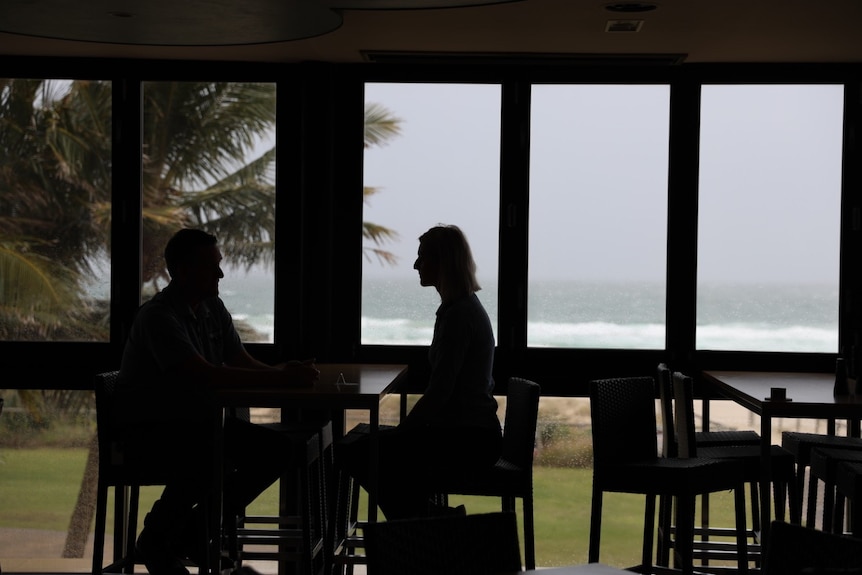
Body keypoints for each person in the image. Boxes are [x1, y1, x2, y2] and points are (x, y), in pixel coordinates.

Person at [116, 228, 319, 575]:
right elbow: (205, 374)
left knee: (276, 450)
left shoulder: (212, 306)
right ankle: (167, 535)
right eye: (212, 267)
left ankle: (180, 532)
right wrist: (280, 377)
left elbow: (239, 360)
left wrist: (280, 370)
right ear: (182, 271)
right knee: (211, 452)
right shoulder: (158, 317)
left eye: (218, 265)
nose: (220, 274)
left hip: (195, 427)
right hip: (150, 434)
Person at [337, 224, 502, 520]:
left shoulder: (458, 316)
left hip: (467, 440)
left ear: (442, 263)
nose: (415, 265)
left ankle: (427, 524)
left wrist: (404, 431)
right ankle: (428, 522)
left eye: (422, 258)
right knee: (364, 451)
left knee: (356, 452)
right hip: (470, 434)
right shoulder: (459, 310)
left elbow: (440, 393)